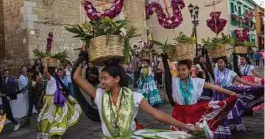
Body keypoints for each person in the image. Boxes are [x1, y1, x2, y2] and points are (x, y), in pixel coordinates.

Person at [72, 46, 200, 138]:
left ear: (117, 79)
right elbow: (76, 78)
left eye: (105, 78)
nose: (102, 82)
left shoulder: (134, 97)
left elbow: (157, 114)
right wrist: (83, 57)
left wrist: (186, 126)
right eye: (101, 79)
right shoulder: (99, 96)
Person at [161, 55, 238, 137]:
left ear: (189, 70)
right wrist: (165, 60)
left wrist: (231, 93)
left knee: (193, 134)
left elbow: (215, 87)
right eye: (179, 70)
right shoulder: (174, 81)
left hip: (193, 112)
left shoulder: (196, 82)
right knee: (179, 135)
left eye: (184, 70)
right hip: (178, 112)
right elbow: (167, 75)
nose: (181, 72)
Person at [213, 57, 263, 138]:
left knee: (232, 112)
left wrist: (256, 85)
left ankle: (234, 129)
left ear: (225, 63)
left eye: (221, 62)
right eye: (218, 63)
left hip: (229, 95)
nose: (219, 64)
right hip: (218, 95)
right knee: (219, 113)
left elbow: (243, 81)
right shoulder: (215, 72)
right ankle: (221, 131)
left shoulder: (231, 73)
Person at [37, 59, 81, 139]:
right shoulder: (53, 79)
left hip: (52, 101)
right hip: (51, 100)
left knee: (49, 118)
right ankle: (55, 132)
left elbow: (45, 72)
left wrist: (46, 63)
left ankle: (54, 133)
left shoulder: (52, 79)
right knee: (55, 117)